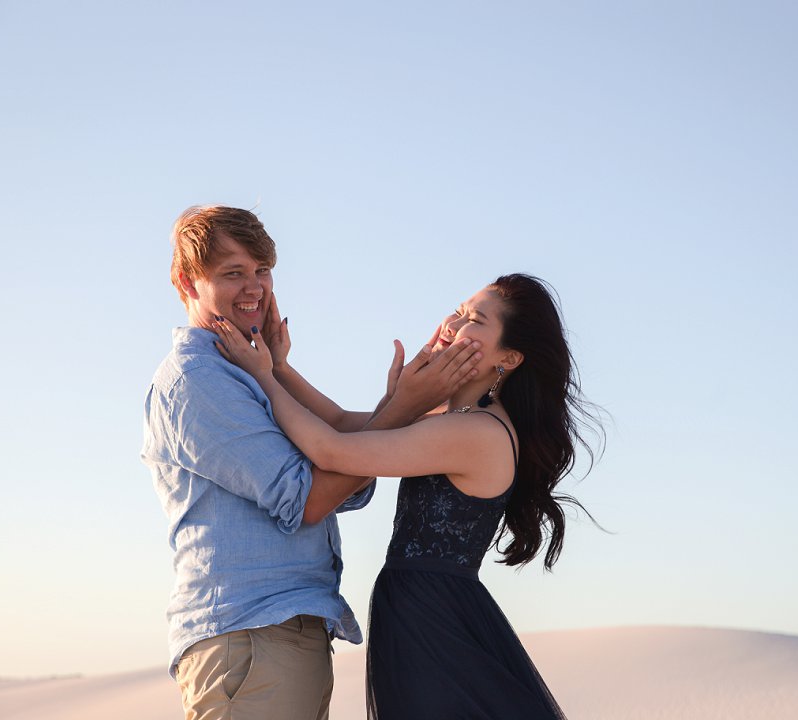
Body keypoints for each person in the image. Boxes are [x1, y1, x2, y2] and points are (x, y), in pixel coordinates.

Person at [141, 205, 481, 720]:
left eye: (262, 270)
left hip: (278, 637)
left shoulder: (248, 371)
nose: (254, 287)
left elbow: (347, 462)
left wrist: (280, 371)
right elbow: (310, 498)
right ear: (187, 284)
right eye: (233, 273)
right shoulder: (199, 380)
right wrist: (405, 407)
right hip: (250, 640)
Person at [214, 273, 601, 720]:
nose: (454, 324)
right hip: (420, 609)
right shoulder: (454, 418)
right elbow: (342, 421)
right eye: (458, 310)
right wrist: (280, 367)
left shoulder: (476, 432)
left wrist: (261, 376)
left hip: (434, 620)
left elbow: (331, 450)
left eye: (475, 320)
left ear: (509, 357)